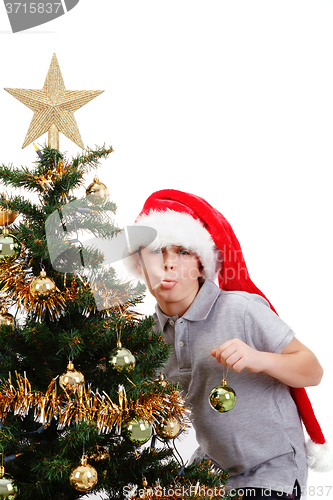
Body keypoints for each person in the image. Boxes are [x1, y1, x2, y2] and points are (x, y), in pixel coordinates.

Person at [131, 189, 331, 499]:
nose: (168, 263)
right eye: (157, 251)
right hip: (212, 471)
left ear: (201, 266)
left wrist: (260, 359)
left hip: (271, 471)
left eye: (182, 251)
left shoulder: (239, 309)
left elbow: (312, 370)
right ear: (140, 265)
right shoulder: (146, 338)